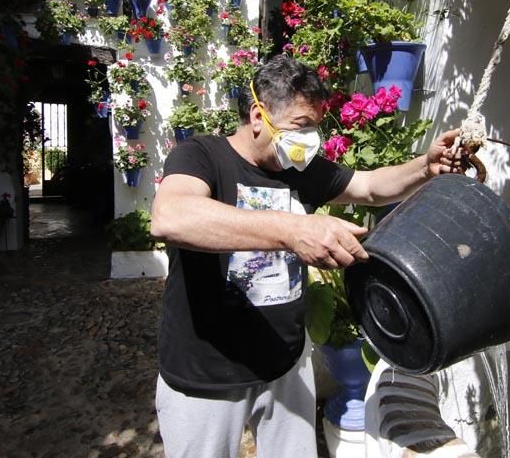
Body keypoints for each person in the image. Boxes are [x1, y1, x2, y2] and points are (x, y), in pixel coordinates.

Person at [150, 54, 463, 458]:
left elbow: (368, 187)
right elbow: (170, 217)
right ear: (257, 115)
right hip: (206, 374)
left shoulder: (300, 170)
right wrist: (293, 230)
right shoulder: (201, 155)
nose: (309, 139)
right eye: (301, 126)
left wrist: (425, 166)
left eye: (315, 126)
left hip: (285, 366)